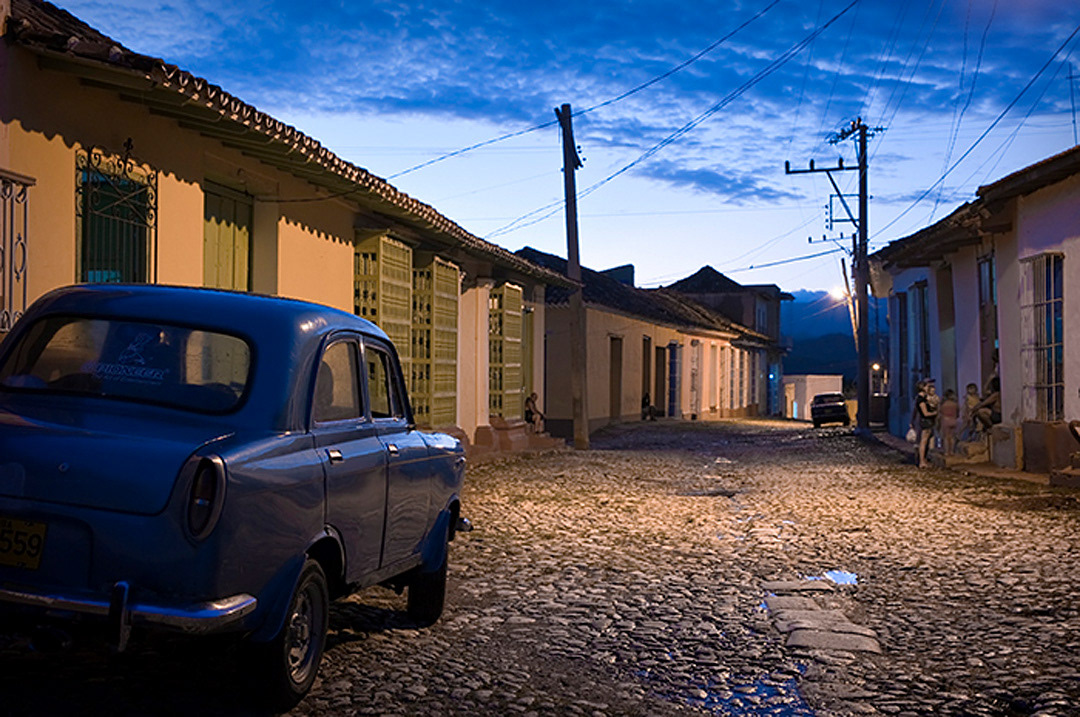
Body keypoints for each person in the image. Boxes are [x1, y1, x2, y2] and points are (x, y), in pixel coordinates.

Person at [915, 380, 939, 468]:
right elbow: (925, 413)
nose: (928, 388)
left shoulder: (923, 398)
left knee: (926, 441)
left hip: (927, 421)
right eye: (926, 386)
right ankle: (922, 461)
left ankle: (924, 460)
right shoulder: (921, 400)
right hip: (926, 421)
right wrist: (936, 413)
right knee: (923, 441)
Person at [938, 389, 960, 455]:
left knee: (946, 437)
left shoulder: (943, 404)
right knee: (952, 437)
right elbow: (958, 413)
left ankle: (947, 452)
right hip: (953, 420)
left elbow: (939, 413)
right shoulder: (955, 404)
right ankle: (952, 451)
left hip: (945, 420)